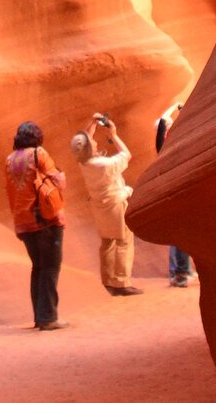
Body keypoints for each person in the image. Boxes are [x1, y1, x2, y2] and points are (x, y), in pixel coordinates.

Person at [70, 113, 143, 296]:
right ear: (89, 148)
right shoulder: (103, 165)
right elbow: (127, 155)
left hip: (100, 208)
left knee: (107, 243)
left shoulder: (83, 163)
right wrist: (113, 135)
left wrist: (92, 124)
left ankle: (108, 281)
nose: (94, 143)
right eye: (92, 143)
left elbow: (85, 141)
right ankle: (121, 282)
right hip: (115, 205)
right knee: (123, 241)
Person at [4, 121, 67, 329]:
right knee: (51, 267)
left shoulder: (10, 159)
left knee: (38, 268)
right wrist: (61, 175)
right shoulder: (38, 153)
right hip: (45, 219)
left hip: (23, 221)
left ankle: (40, 317)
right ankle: (48, 318)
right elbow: (58, 182)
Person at [155, 101, 195, 288]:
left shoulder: (172, 142)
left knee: (185, 230)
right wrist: (175, 106)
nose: (172, 126)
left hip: (179, 187)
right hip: (174, 189)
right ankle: (178, 274)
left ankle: (183, 270)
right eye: (169, 126)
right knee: (180, 232)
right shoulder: (163, 144)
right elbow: (163, 120)